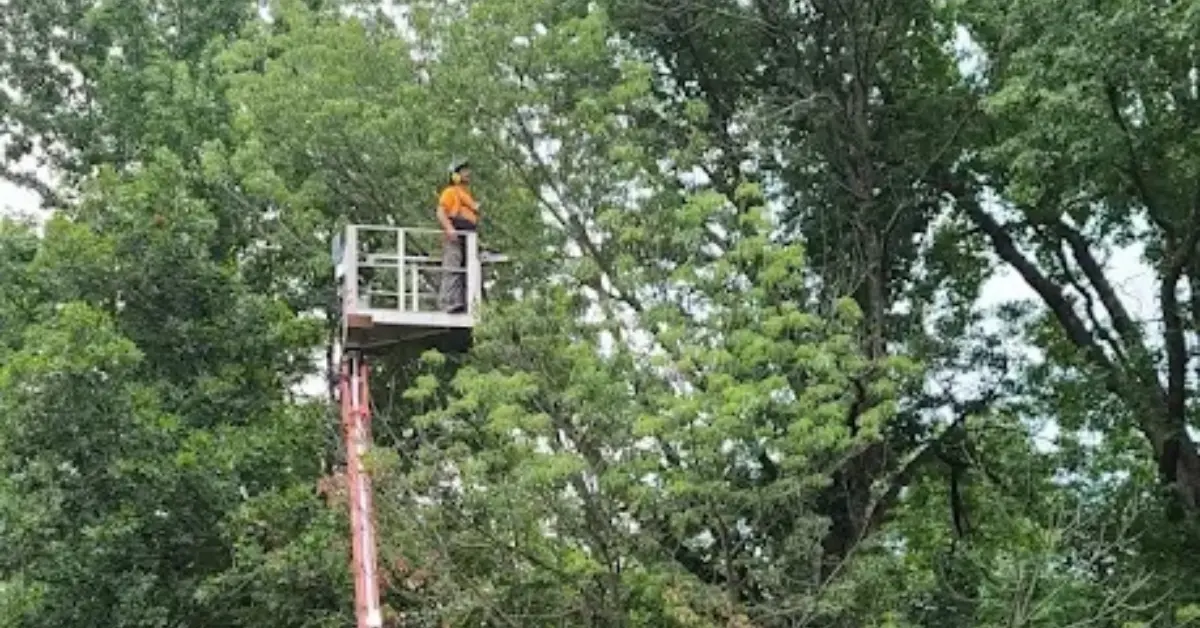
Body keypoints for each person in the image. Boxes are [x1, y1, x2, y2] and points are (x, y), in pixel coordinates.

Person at [436, 157, 479, 313]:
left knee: (468, 271)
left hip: (467, 238)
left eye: (468, 170)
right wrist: (450, 229)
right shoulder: (450, 192)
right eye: (463, 170)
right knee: (452, 269)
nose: (468, 173)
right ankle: (449, 303)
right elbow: (440, 212)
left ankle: (465, 303)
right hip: (455, 237)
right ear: (455, 175)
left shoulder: (466, 195)